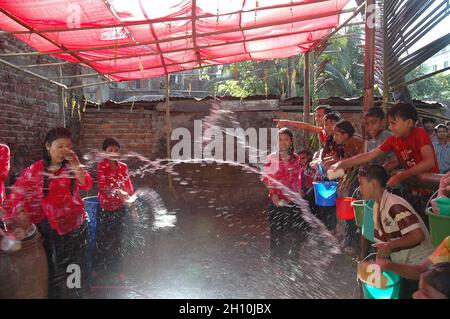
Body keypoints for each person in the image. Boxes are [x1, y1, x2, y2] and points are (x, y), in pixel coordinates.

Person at [1, 127, 93, 299]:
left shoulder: (72, 167)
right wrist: (19, 216)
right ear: (47, 146)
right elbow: (14, 199)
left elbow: (86, 184)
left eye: (68, 146)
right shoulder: (34, 171)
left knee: (74, 270)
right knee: (53, 274)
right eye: (60, 146)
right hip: (49, 232)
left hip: (75, 227)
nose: (65, 150)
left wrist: (75, 163)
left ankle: (76, 294)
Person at [333, 103, 439, 224]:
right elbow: (369, 155)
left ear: (409, 123)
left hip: (431, 193)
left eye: (393, 123)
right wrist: (343, 164)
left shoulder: (419, 133)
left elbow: (429, 162)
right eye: (389, 123)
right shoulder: (393, 140)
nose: (390, 127)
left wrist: (401, 176)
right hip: (414, 192)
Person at [358, 165, 434, 298]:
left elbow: (418, 235)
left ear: (374, 184)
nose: (359, 188)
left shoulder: (394, 205)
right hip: (405, 268)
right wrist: (377, 272)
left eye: (361, 184)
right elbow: (381, 246)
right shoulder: (377, 206)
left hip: (421, 268)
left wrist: (390, 246)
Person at [262, 127, 308, 280]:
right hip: (277, 202)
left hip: (293, 202)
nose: (283, 142)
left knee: (295, 234)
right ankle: (278, 263)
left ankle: (293, 263)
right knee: (278, 233)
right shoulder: (272, 158)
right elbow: (268, 179)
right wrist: (274, 195)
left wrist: (300, 192)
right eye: (280, 139)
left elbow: (299, 178)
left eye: (286, 139)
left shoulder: (296, 159)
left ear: (291, 141)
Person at [94, 137, 134, 281]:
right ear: (104, 152)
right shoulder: (101, 165)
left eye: (116, 150)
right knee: (102, 239)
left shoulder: (123, 167)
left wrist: (133, 207)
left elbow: (128, 187)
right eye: (110, 150)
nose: (113, 152)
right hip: (104, 208)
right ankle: (98, 269)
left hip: (119, 208)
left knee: (118, 240)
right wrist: (118, 192)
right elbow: (102, 187)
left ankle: (117, 270)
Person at [331, 120, 364, 255]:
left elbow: (358, 163)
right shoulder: (348, 144)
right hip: (356, 178)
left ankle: (351, 242)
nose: (334, 137)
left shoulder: (354, 141)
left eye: (337, 134)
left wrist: (337, 164)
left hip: (361, 180)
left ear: (345, 134)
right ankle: (347, 238)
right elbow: (349, 165)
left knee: (352, 209)